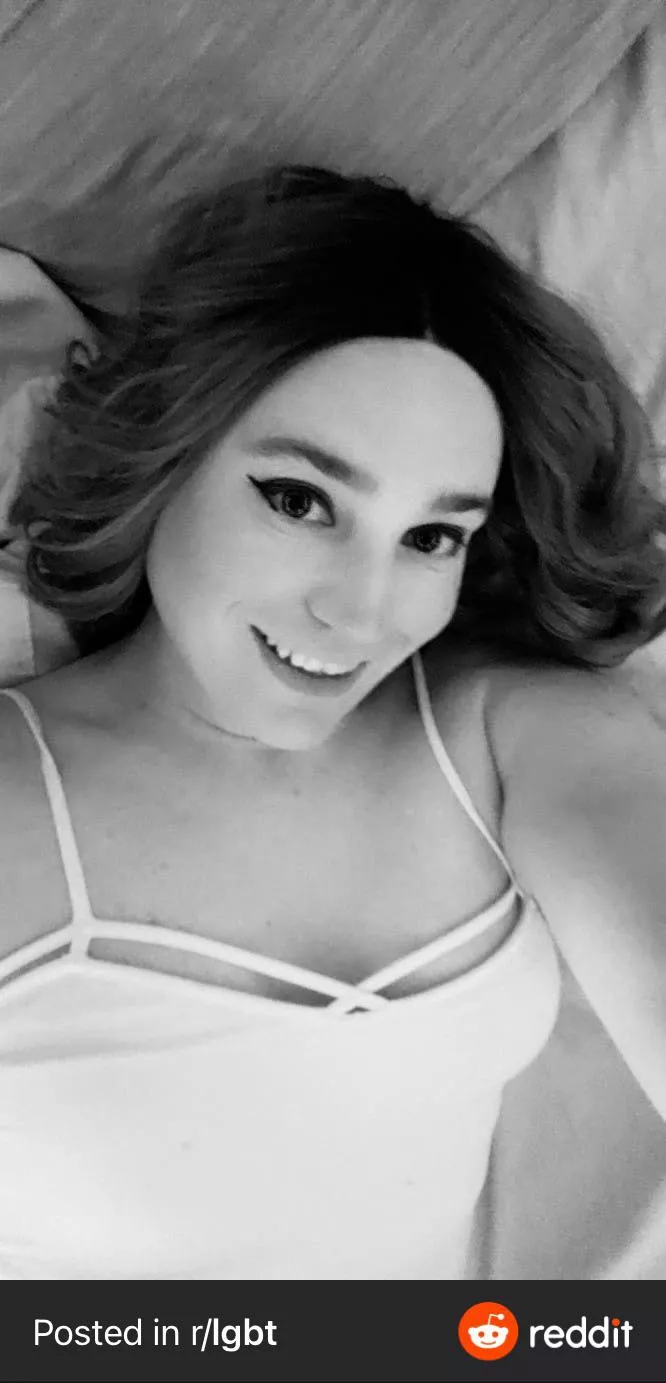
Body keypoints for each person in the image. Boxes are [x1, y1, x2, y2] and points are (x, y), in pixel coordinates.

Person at [0, 165, 665, 1281]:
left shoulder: (509, 731)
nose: (361, 613)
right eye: (301, 501)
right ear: (168, 454)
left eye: (431, 538)